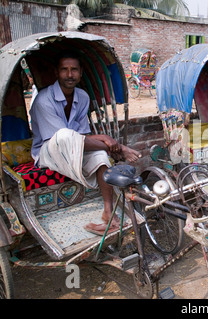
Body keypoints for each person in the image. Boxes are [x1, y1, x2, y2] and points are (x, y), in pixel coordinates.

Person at [29, 50, 142, 235]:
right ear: (57, 73)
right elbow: (61, 138)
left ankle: (107, 212)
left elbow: (82, 135)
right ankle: (119, 149)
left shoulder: (82, 97)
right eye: (64, 70)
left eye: (74, 70)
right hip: (48, 151)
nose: (69, 74)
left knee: (100, 155)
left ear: (80, 73)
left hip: (74, 146)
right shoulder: (43, 100)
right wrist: (115, 145)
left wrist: (105, 140)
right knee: (65, 135)